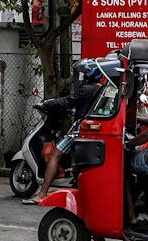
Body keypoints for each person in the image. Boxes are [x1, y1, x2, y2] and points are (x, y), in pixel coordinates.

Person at [24, 59, 109, 204]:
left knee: (54, 156)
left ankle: (42, 194)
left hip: (79, 130)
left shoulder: (87, 89)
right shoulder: (103, 89)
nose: (82, 76)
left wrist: (46, 104)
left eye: (84, 73)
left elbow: (67, 101)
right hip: (95, 130)